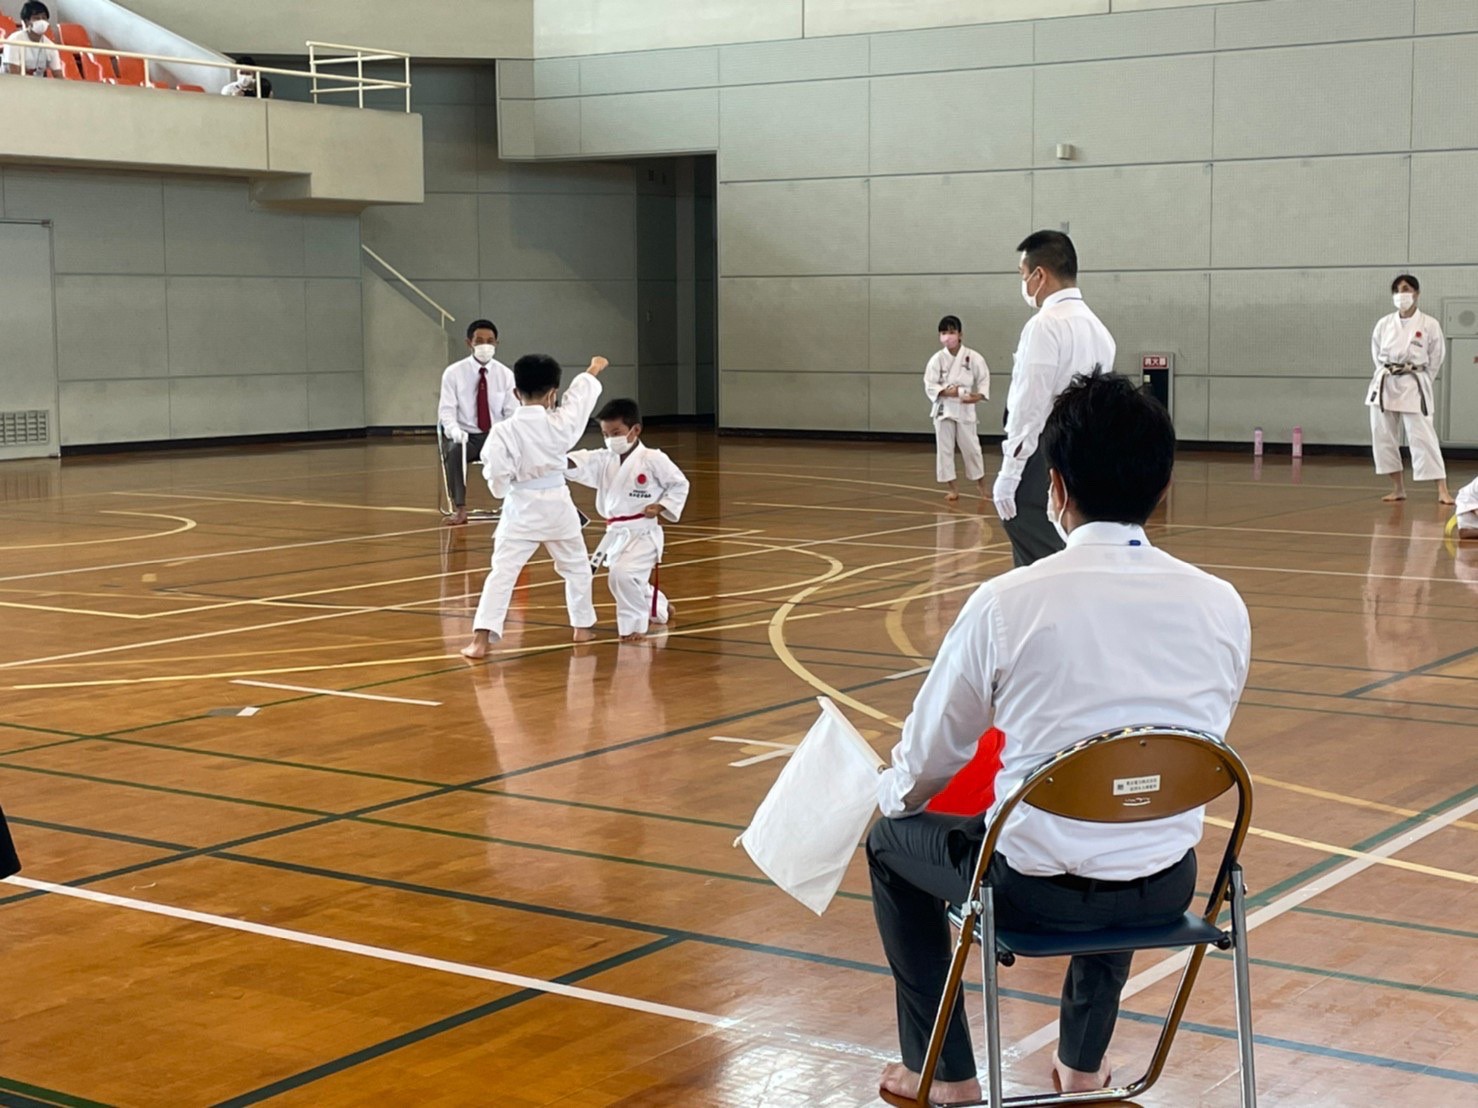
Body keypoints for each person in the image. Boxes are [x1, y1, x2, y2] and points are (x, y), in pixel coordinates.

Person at [869, 373, 1251, 1104]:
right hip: (1167, 883)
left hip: (1031, 896)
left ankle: (943, 1074)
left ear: (1057, 485)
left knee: (890, 843)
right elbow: (1192, 739)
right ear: (1163, 487)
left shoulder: (1007, 603)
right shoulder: (1223, 605)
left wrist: (892, 797)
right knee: (1129, 805)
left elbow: (932, 755)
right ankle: (1082, 1065)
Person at [462, 353, 608, 659]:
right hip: (558, 507)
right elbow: (579, 399)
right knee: (577, 568)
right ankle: (582, 627)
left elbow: (496, 477)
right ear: (553, 393)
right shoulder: (561, 423)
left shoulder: (503, 431)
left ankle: (480, 640)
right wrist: (593, 368)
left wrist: (504, 489)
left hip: (521, 509)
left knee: (503, 573)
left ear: (516, 392)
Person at [992, 230, 1116, 567]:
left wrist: (1011, 471)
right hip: (1083, 449)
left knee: (1024, 520)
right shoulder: (1100, 330)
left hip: (1044, 449)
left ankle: (1054, 590)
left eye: (1023, 275)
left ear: (1039, 275)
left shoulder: (1045, 325)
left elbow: (1029, 403)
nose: (1024, 284)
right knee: (1067, 530)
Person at [567, 398, 690, 642]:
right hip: (616, 534)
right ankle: (660, 607)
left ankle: (634, 625)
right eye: (605, 434)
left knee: (622, 575)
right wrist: (553, 458)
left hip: (643, 532)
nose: (610, 439)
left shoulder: (653, 458)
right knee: (629, 578)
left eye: (616, 433)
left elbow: (679, 484)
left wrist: (662, 505)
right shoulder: (605, 459)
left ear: (635, 430)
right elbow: (579, 462)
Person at [1366, 274, 1453, 504]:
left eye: (1405, 289)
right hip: (1386, 382)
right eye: (1396, 290)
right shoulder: (1384, 323)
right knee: (1383, 436)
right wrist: (1388, 372)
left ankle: (1442, 490)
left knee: (1423, 436)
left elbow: (1436, 357)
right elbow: (1376, 354)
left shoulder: (1429, 324)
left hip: (1414, 382)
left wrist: (1421, 379)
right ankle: (1398, 488)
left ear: (1417, 293)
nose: (1400, 294)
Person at [438, 319, 517, 526]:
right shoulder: (453, 373)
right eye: (479, 341)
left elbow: (512, 411)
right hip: (467, 438)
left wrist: (506, 434)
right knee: (453, 452)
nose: (485, 346)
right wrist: (454, 431)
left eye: (490, 341)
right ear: (469, 343)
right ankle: (460, 508)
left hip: (496, 436)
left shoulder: (506, 375)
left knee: (519, 450)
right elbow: (446, 410)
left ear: (497, 343)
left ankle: (512, 504)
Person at [924, 315, 990, 502]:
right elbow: (930, 384)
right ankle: (953, 488)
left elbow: (984, 379)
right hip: (944, 407)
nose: (948, 336)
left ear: (960, 334)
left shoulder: (973, 357)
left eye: (952, 332)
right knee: (944, 450)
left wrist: (979, 395)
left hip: (964, 406)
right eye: (944, 333)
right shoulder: (937, 359)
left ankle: (981, 485)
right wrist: (946, 392)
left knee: (972, 448)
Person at [2, 2, 61, 78]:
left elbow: (58, 76)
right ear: (26, 22)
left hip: (37, 84)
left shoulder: (50, 46)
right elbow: (14, 74)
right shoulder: (14, 41)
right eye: (37, 18)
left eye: (44, 18)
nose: (41, 22)